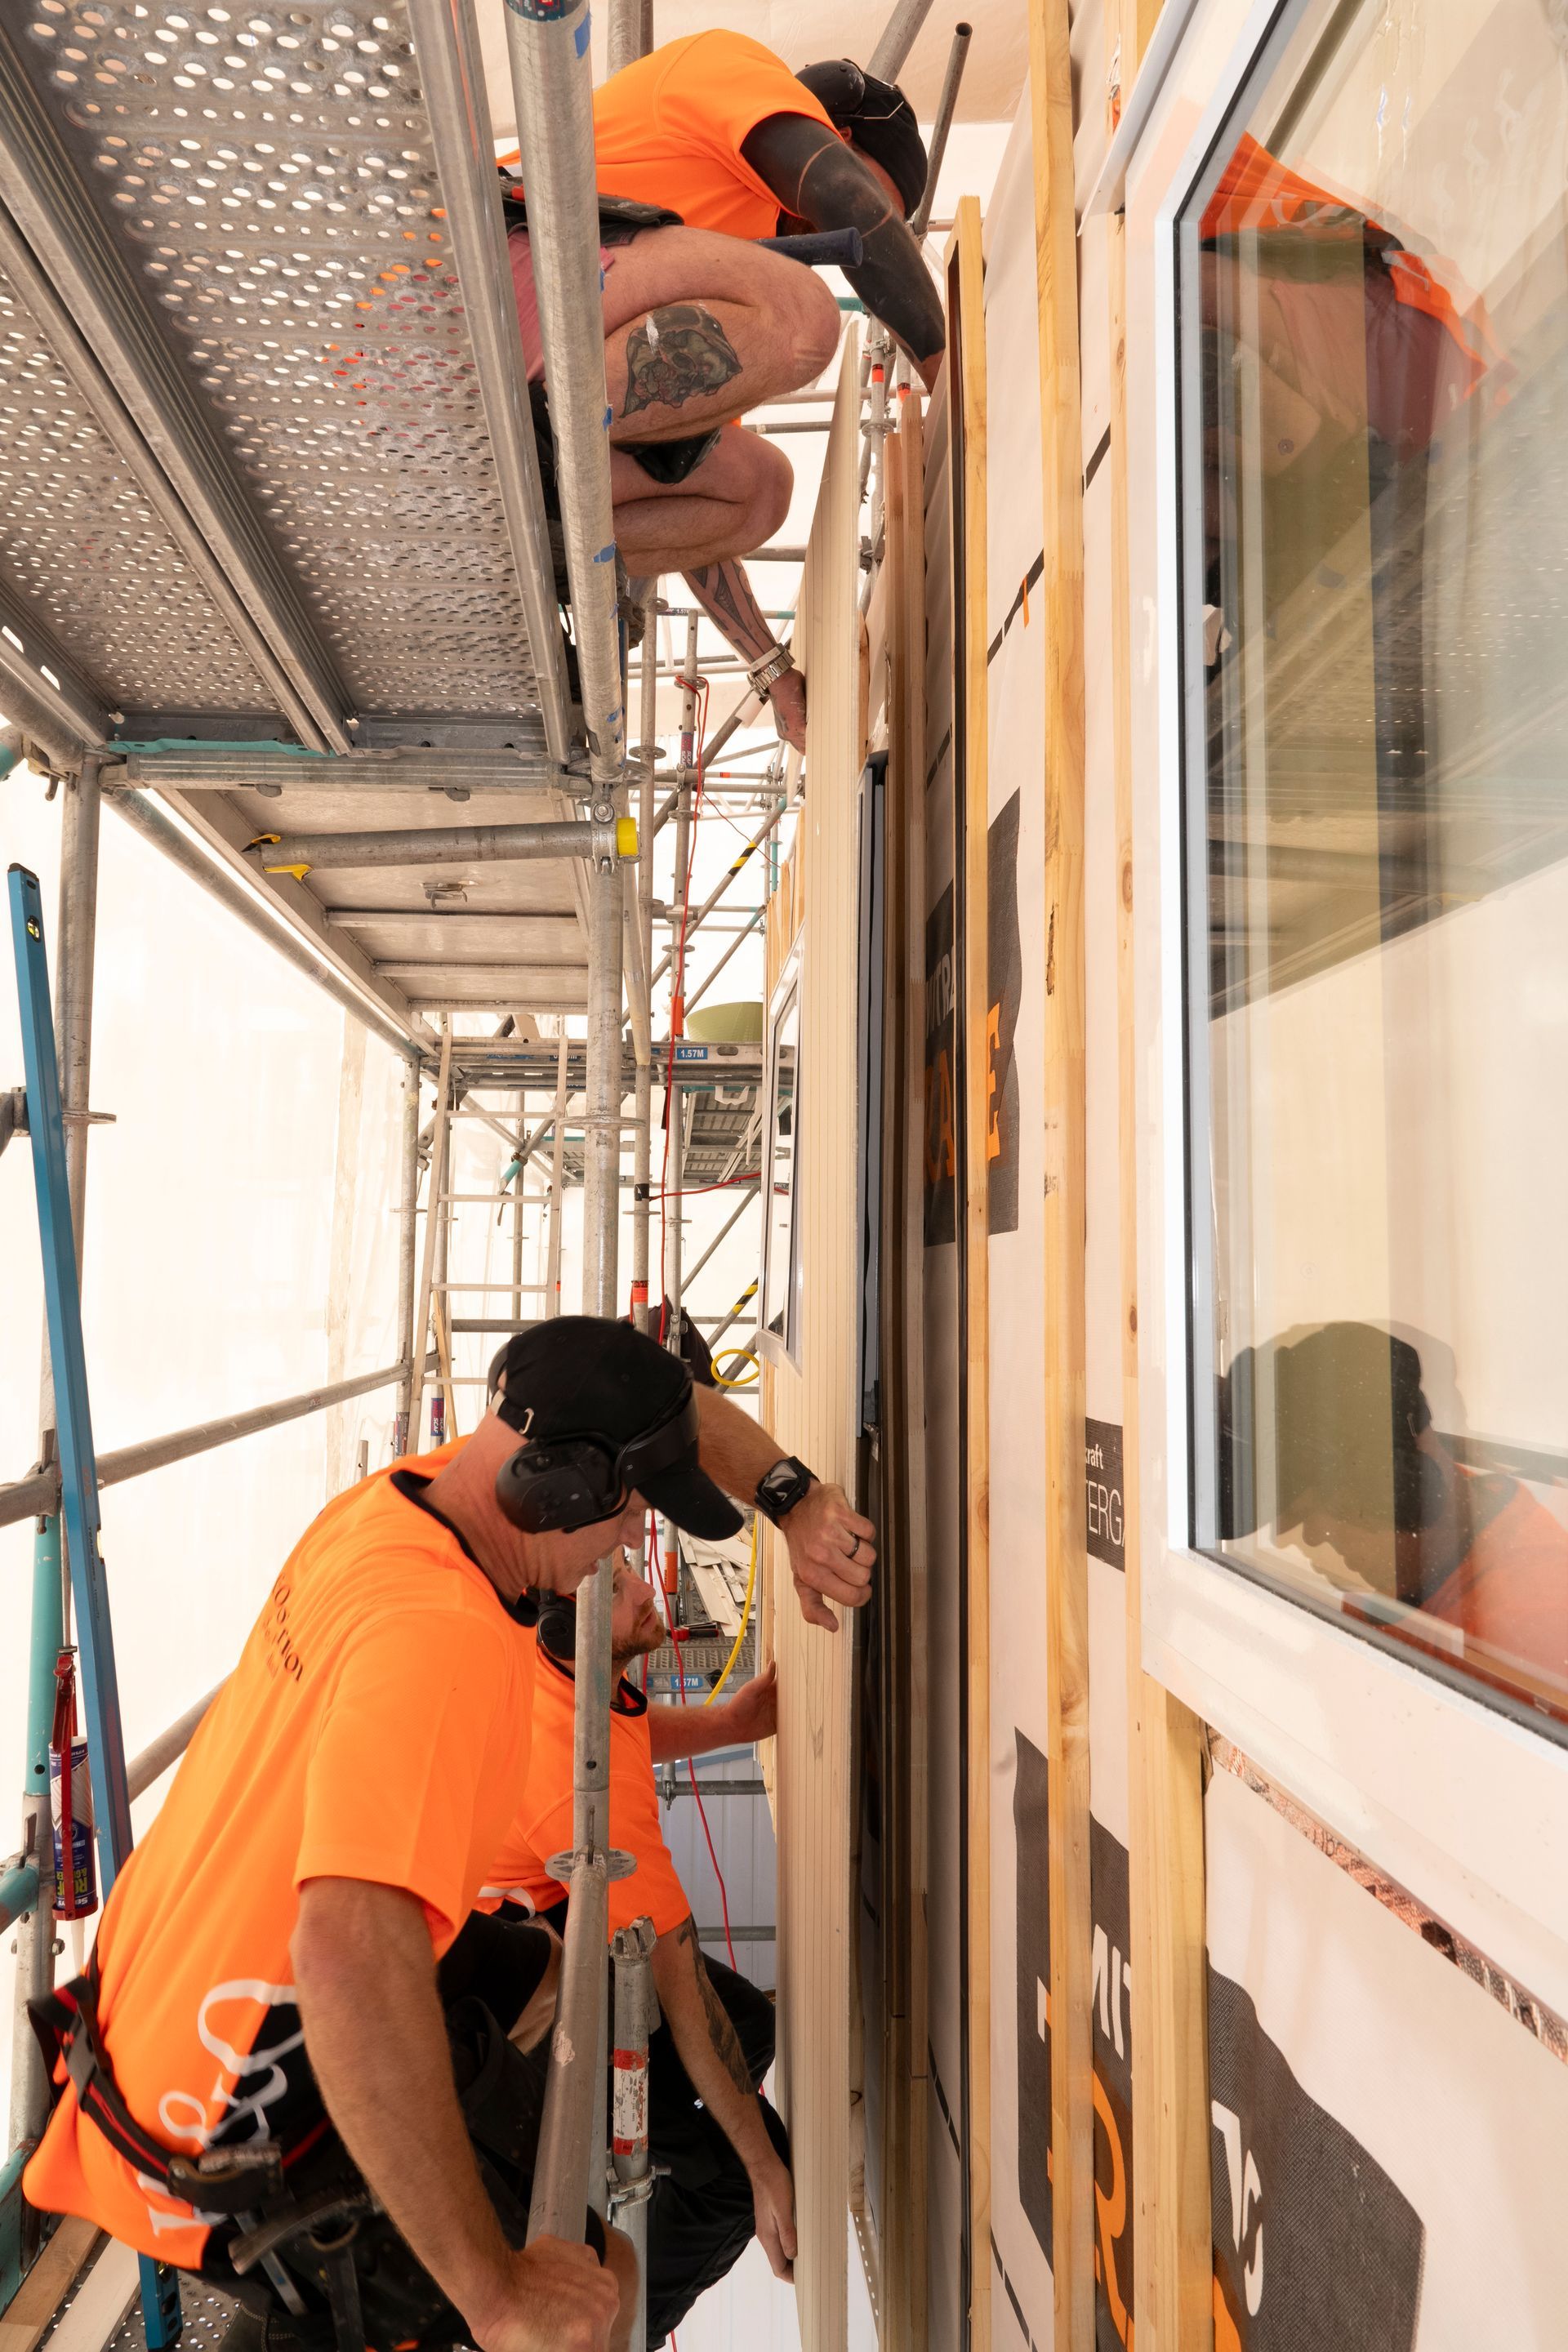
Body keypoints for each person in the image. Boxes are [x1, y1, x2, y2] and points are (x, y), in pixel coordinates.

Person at [21, 1316, 866, 2352]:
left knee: (552, 1975)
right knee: (598, 2291)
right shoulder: (443, 1643)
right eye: (629, 1514)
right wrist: (500, 2292)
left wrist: (792, 1497)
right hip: (229, 2104)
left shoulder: (412, 1503)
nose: (623, 1547)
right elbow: (343, 1954)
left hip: (165, 1980)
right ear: (562, 1490)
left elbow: (664, 1406)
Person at [504, 32, 947, 750]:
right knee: (803, 318)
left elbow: (678, 489)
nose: (852, 244)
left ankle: (532, 534)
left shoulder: (727, 301)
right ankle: (535, 434)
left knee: (755, 488)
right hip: (479, 312)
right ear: (831, 131)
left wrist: (773, 671)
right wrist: (953, 383)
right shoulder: (730, 68)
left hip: (541, 423)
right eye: (876, 211)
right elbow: (841, 192)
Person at [483, 1566, 787, 2345]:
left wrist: (732, 1723)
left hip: (535, 1930)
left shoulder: (573, 1673)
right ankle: (623, 2323)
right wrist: (762, 2172)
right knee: (745, 2160)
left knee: (750, 2027)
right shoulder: (579, 1782)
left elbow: (628, 1726)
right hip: (512, 2019)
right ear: (571, 1623)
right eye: (622, 1586)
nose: (650, 1588)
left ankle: (661, 2147)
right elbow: (680, 1991)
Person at [1218, 1321, 1568, 1713]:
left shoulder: (1521, 1635)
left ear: (1407, 1485)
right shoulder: (1417, 1583)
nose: (1300, 1538)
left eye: (1311, 1513)